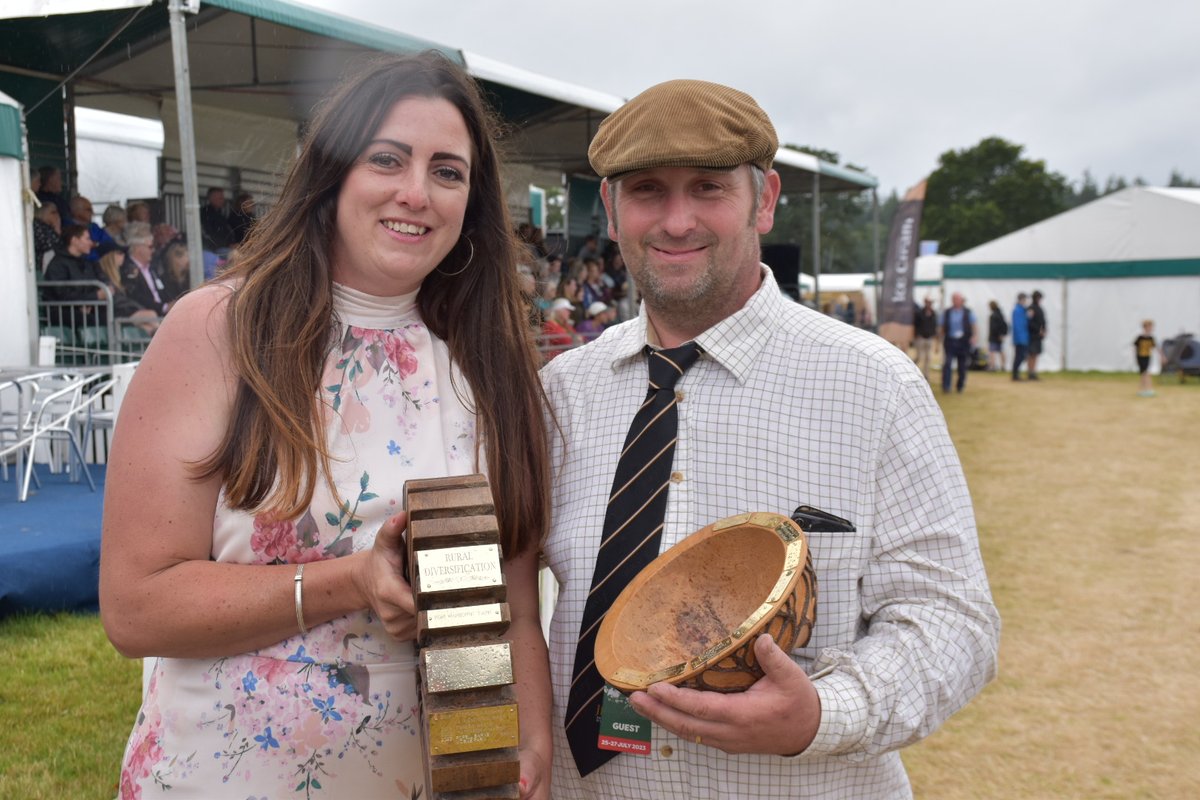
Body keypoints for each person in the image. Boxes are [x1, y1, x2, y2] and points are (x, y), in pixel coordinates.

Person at [100, 51, 553, 800]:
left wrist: (527, 748)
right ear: (332, 173)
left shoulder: (491, 364)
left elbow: (514, 608)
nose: (416, 193)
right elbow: (135, 607)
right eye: (388, 159)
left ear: (472, 202)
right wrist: (350, 582)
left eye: (447, 171)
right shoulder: (218, 330)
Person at [539, 78, 998, 799]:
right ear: (611, 208)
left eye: (708, 188)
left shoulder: (875, 385)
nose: (677, 221)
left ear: (765, 199)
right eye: (649, 190)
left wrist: (822, 712)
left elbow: (953, 620)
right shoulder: (561, 394)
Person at [119, 221, 169, 317]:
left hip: (161, 315)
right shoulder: (127, 269)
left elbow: (162, 290)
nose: (153, 250)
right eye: (150, 247)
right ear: (138, 248)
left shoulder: (152, 268)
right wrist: (164, 307)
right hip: (147, 316)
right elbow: (136, 297)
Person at [940, 292, 976, 393]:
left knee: (962, 365)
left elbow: (974, 325)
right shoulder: (947, 312)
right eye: (954, 299)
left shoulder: (968, 312)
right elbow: (942, 326)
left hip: (963, 341)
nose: (956, 301)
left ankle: (960, 385)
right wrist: (940, 338)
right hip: (950, 341)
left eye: (958, 299)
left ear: (961, 300)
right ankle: (946, 386)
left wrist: (974, 336)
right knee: (948, 363)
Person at [200, 186, 237, 253]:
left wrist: (233, 244)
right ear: (211, 198)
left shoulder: (220, 214)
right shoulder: (205, 214)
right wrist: (228, 245)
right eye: (220, 198)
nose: (223, 200)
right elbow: (208, 235)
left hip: (226, 247)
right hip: (214, 249)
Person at [912, 296, 938, 381]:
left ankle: (926, 375)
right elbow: (915, 325)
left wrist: (934, 336)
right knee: (919, 356)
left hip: (929, 338)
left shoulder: (933, 313)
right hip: (920, 338)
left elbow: (934, 326)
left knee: (928, 358)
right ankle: (911, 369)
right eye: (928, 302)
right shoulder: (919, 313)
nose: (929, 304)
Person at [1134, 319, 1160, 397]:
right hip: (1140, 356)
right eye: (1149, 327)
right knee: (1144, 373)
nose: (1150, 329)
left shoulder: (1151, 338)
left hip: (1147, 357)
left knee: (1146, 373)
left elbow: (1156, 347)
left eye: (1151, 327)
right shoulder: (1140, 338)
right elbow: (1135, 347)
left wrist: (1162, 356)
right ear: (1144, 327)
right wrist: (1136, 358)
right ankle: (1144, 389)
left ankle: (1146, 389)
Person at [1027, 289, 1047, 379]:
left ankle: (1033, 372)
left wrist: (1044, 330)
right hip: (1032, 335)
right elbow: (1029, 322)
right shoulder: (1031, 308)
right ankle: (1030, 372)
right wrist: (1038, 330)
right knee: (1031, 354)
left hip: (1038, 336)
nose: (1039, 299)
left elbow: (1043, 321)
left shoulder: (1040, 308)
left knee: (1036, 354)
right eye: (1038, 297)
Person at [1011, 292, 1030, 380]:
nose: (1025, 301)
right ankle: (1015, 375)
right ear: (1021, 300)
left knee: (1021, 356)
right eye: (1024, 300)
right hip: (1020, 338)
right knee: (1019, 356)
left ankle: (1016, 374)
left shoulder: (1022, 310)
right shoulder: (1018, 310)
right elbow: (1017, 326)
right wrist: (1020, 338)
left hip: (1023, 337)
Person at [987, 299, 1008, 371]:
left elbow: (994, 327)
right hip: (1000, 336)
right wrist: (1002, 334)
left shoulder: (993, 315)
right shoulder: (1000, 314)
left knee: (992, 351)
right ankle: (1003, 366)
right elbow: (1004, 325)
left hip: (994, 336)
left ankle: (992, 366)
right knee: (1001, 351)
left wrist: (998, 334)